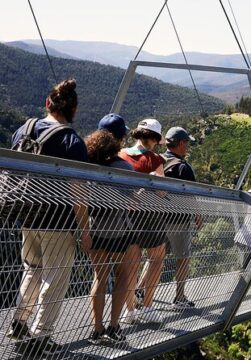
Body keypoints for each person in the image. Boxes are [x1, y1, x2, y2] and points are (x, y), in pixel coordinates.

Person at [8, 79, 90, 355]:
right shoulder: (72, 141)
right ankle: (42, 336)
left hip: (25, 214)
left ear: (47, 103)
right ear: (74, 109)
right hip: (57, 220)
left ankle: (19, 322)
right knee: (55, 279)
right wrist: (85, 230)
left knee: (32, 270)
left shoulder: (24, 129)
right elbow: (78, 194)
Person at [85, 114, 136, 344]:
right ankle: (114, 327)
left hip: (94, 227)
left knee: (99, 277)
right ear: (120, 138)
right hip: (118, 229)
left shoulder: (86, 163)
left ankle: (97, 329)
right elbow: (131, 199)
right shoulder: (124, 167)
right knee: (122, 275)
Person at [119, 119, 167, 324]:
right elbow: (163, 190)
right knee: (156, 258)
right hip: (150, 216)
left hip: (126, 216)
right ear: (155, 139)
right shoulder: (155, 159)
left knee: (131, 264)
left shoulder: (121, 155)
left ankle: (129, 311)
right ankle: (147, 307)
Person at [161, 126, 198, 310]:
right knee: (183, 258)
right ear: (181, 143)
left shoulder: (159, 161)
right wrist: (198, 215)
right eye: (187, 143)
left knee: (155, 258)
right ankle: (180, 297)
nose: (188, 147)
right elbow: (191, 196)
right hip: (179, 220)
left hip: (158, 219)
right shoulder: (183, 167)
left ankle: (141, 290)